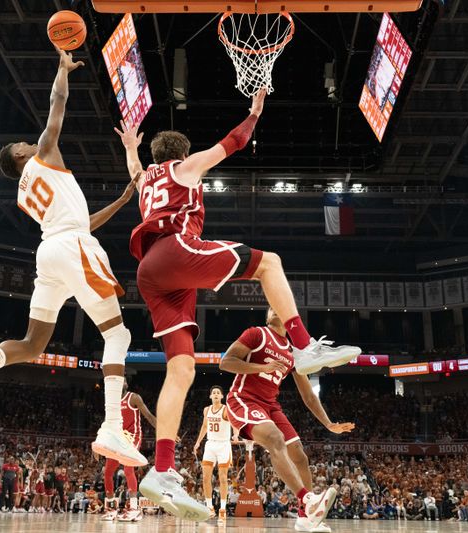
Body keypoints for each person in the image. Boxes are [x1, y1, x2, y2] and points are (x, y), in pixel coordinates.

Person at [117, 88, 361, 522]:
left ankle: (163, 469)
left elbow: (137, 174)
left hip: (149, 273)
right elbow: (231, 144)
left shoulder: (147, 181)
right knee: (271, 263)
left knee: (181, 370)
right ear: (180, 154)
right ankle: (304, 345)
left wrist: (132, 151)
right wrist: (254, 113)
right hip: (176, 251)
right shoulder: (182, 168)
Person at [0, 46, 143, 469]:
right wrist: (63, 71)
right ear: (21, 156)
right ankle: (112, 425)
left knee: (32, 344)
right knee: (118, 336)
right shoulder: (44, 154)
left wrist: (120, 200)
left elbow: (78, 222)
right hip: (71, 248)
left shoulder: (26, 192)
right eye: (23, 144)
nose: (30, 140)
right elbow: (57, 104)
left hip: (51, 252)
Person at [220, 307, 356, 532]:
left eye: (278, 306)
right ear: (267, 316)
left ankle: (305, 519)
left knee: (300, 456)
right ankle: (308, 499)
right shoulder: (257, 333)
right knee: (275, 438)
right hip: (244, 399)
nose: (275, 309)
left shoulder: (294, 352)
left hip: (271, 406)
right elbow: (226, 362)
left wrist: (328, 423)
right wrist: (261, 367)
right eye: (271, 307)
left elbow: (309, 396)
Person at [102, 383, 156, 523]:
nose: (119, 382)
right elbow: (107, 423)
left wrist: (165, 431)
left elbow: (149, 416)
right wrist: (99, 443)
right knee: (108, 472)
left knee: (128, 468)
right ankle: (111, 509)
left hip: (132, 436)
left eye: (122, 380)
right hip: (116, 437)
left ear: (126, 383)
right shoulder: (111, 401)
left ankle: (134, 509)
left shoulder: (133, 397)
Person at [193, 386, 235, 519]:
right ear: (210, 396)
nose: (216, 395)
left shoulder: (225, 409)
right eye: (213, 393)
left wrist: (236, 433)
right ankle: (209, 507)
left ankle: (222, 508)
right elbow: (205, 426)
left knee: (222, 478)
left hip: (223, 445)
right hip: (210, 444)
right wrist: (198, 442)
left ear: (222, 396)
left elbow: (234, 422)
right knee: (205, 477)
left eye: (218, 393)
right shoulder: (206, 410)